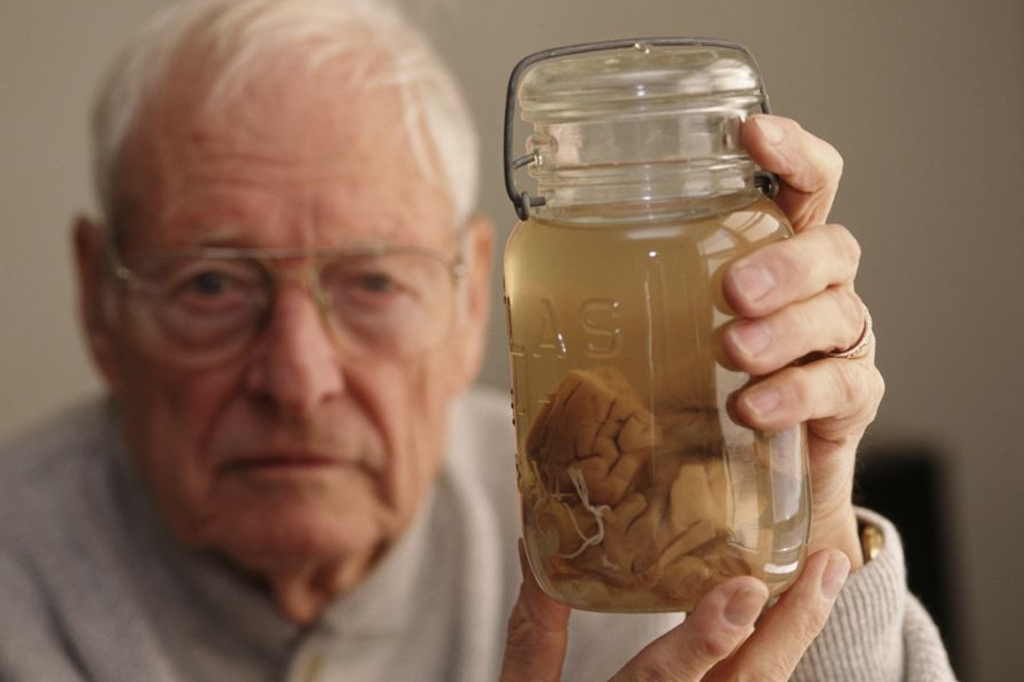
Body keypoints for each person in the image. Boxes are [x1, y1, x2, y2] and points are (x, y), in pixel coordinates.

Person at [0, 0, 957, 680]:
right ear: (99, 298)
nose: (298, 379)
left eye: (373, 281)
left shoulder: (632, 514)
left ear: (473, 301)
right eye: (211, 283)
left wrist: (810, 514)